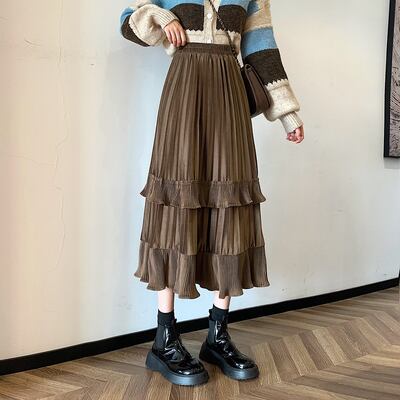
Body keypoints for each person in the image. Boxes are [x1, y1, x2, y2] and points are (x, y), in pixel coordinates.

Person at [120, 0, 304, 386]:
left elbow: (262, 46)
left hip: (230, 97)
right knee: (176, 202)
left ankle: (217, 335)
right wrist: (160, 15)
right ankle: (164, 338)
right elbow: (128, 23)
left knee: (230, 201)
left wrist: (287, 113)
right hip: (183, 92)